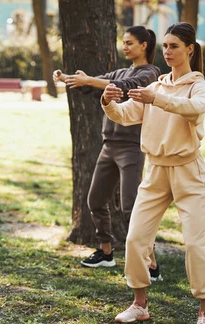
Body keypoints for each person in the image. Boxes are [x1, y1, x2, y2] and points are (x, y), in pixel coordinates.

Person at [101, 22, 205, 324]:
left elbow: (195, 109)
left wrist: (157, 100)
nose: (167, 52)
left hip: (188, 171)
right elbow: (125, 115)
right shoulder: (157, 85)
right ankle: (139, 305)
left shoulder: (197, 85)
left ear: (190, 49)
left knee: (193, 244)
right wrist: (109, 102)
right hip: (155, 171)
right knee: (136, 239)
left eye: (174, 46)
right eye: (164, 46)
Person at [54, 26, 162, 280]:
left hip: (131, 148)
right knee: (95, 200)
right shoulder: (121, 70)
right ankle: (105, 253)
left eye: (130, 43)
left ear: (144, 45)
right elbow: (93, 85)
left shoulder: (151, 73)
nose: (124, 46)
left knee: (131, 206)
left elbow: (125, 87)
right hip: (109, 145)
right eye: (123, 42)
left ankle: (152, 264)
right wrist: (68, 78)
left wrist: (90, 80)